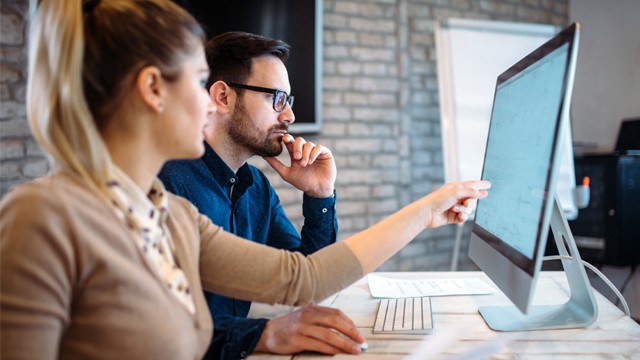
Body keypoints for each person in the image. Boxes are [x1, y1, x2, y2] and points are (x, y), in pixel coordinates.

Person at [0, 0, 490, 359]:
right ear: (154, 89)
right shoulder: (44, 217)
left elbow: (305, 278)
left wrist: (420, 209)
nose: (207, 100)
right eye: (197, 81)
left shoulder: (165, 215)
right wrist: (262, 336)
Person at [158, 32, 340, 358]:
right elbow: (163, 325)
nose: (289, 117)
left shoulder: (256, 186)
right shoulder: (166, 185)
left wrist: (320, 195)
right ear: (223, 97)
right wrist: (262, 334)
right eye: (277, 99)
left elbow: (309, 281)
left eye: (289, 101)